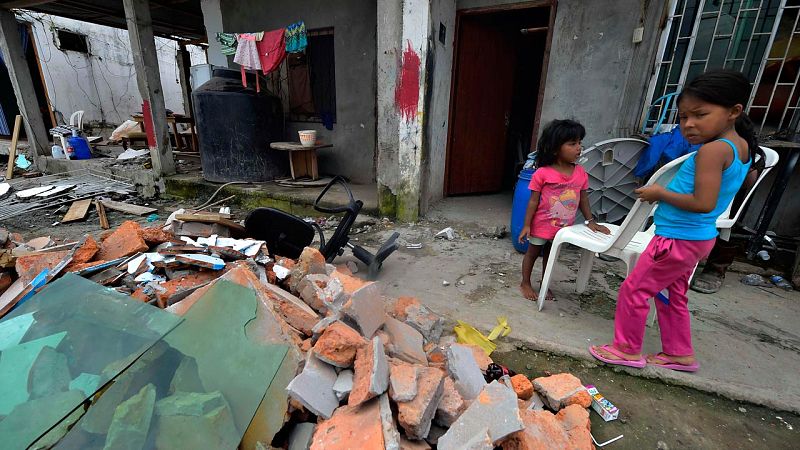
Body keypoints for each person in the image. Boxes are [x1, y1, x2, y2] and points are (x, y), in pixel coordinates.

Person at [590, 70, 756, 372]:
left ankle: (626, 350)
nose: (689, 125)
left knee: (635, 290)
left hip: (677, 238)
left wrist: (660, 193)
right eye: (683, 118)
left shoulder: (713, 150)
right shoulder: (740, 146)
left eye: (700, 115)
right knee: (671, 294)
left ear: (734, 111)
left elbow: (703, 203)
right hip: (696, 238)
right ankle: (679, 353)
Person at [518, 119, 610, 301]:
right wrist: (526, 225)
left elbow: (583, 198)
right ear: (555, 148)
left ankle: (545, 284)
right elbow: (533, 201)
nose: (579, 148)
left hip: (563, 228)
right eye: (572, 143)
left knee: (550, 256)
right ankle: (525, 282)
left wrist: (591, 221)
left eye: (580, 143)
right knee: (533, 253)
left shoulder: (580, 172)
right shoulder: (542, 173)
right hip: (541, 225)